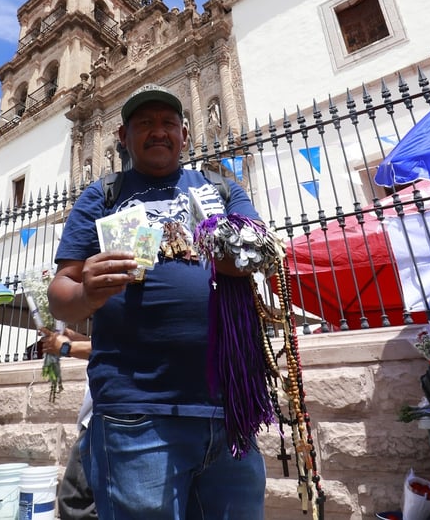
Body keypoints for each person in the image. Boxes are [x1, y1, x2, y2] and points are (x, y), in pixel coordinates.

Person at [48, 83, 266, 519]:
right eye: (144, 123)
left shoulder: (223, 190)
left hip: (229, 409)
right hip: (135, 412)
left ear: (185, 134)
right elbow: (61, 295)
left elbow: (260, 254)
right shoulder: (102, 196)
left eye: (167, 122)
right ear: (123, 139)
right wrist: (87, 291)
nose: (158, 131)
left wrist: (228, 251)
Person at [40, 329, 95, 520]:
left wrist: (65, 347)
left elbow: (117, 347)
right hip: (107, 414)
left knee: (76, 504)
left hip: (104, 416)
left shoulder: (117, 302)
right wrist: (74, 338)